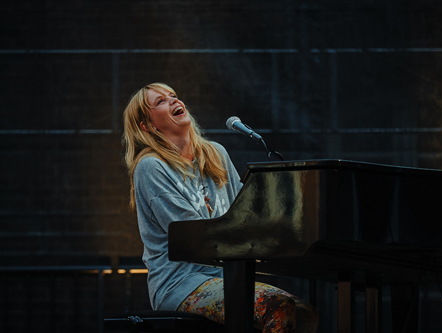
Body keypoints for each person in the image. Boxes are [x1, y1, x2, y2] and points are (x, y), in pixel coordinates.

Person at [122, 82, 319, 333]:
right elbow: (192, 234)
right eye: (160, 101)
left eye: (173, 95)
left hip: (228, 276)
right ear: (147, 126)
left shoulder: (216, 153)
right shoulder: (150, 166)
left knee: (304, 313)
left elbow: (244, 214)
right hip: (181, 284)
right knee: (280, 307)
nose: (173, 100)